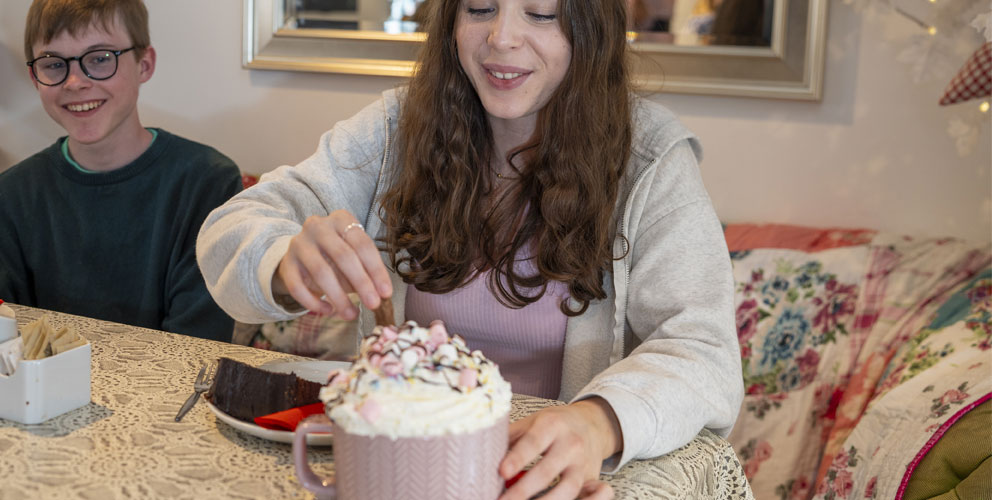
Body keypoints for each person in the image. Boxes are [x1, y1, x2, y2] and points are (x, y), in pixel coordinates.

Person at [197, 0, 742, 498]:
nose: (502, 38)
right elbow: (232, 228)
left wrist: (598, 421)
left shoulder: (650, 160)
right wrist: (284, 257)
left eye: (542, 14)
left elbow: (704, 350)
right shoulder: (394, 129)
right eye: (480, 8)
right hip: (404, 473)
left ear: (591, 29)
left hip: (550, 477)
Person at [0, 0, 241, 342]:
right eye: (53, 64)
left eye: (100, 59)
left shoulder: (208, 183)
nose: (75, 82)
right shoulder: (2, 203)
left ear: (144, 64)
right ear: (35, 76)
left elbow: (197, 349)